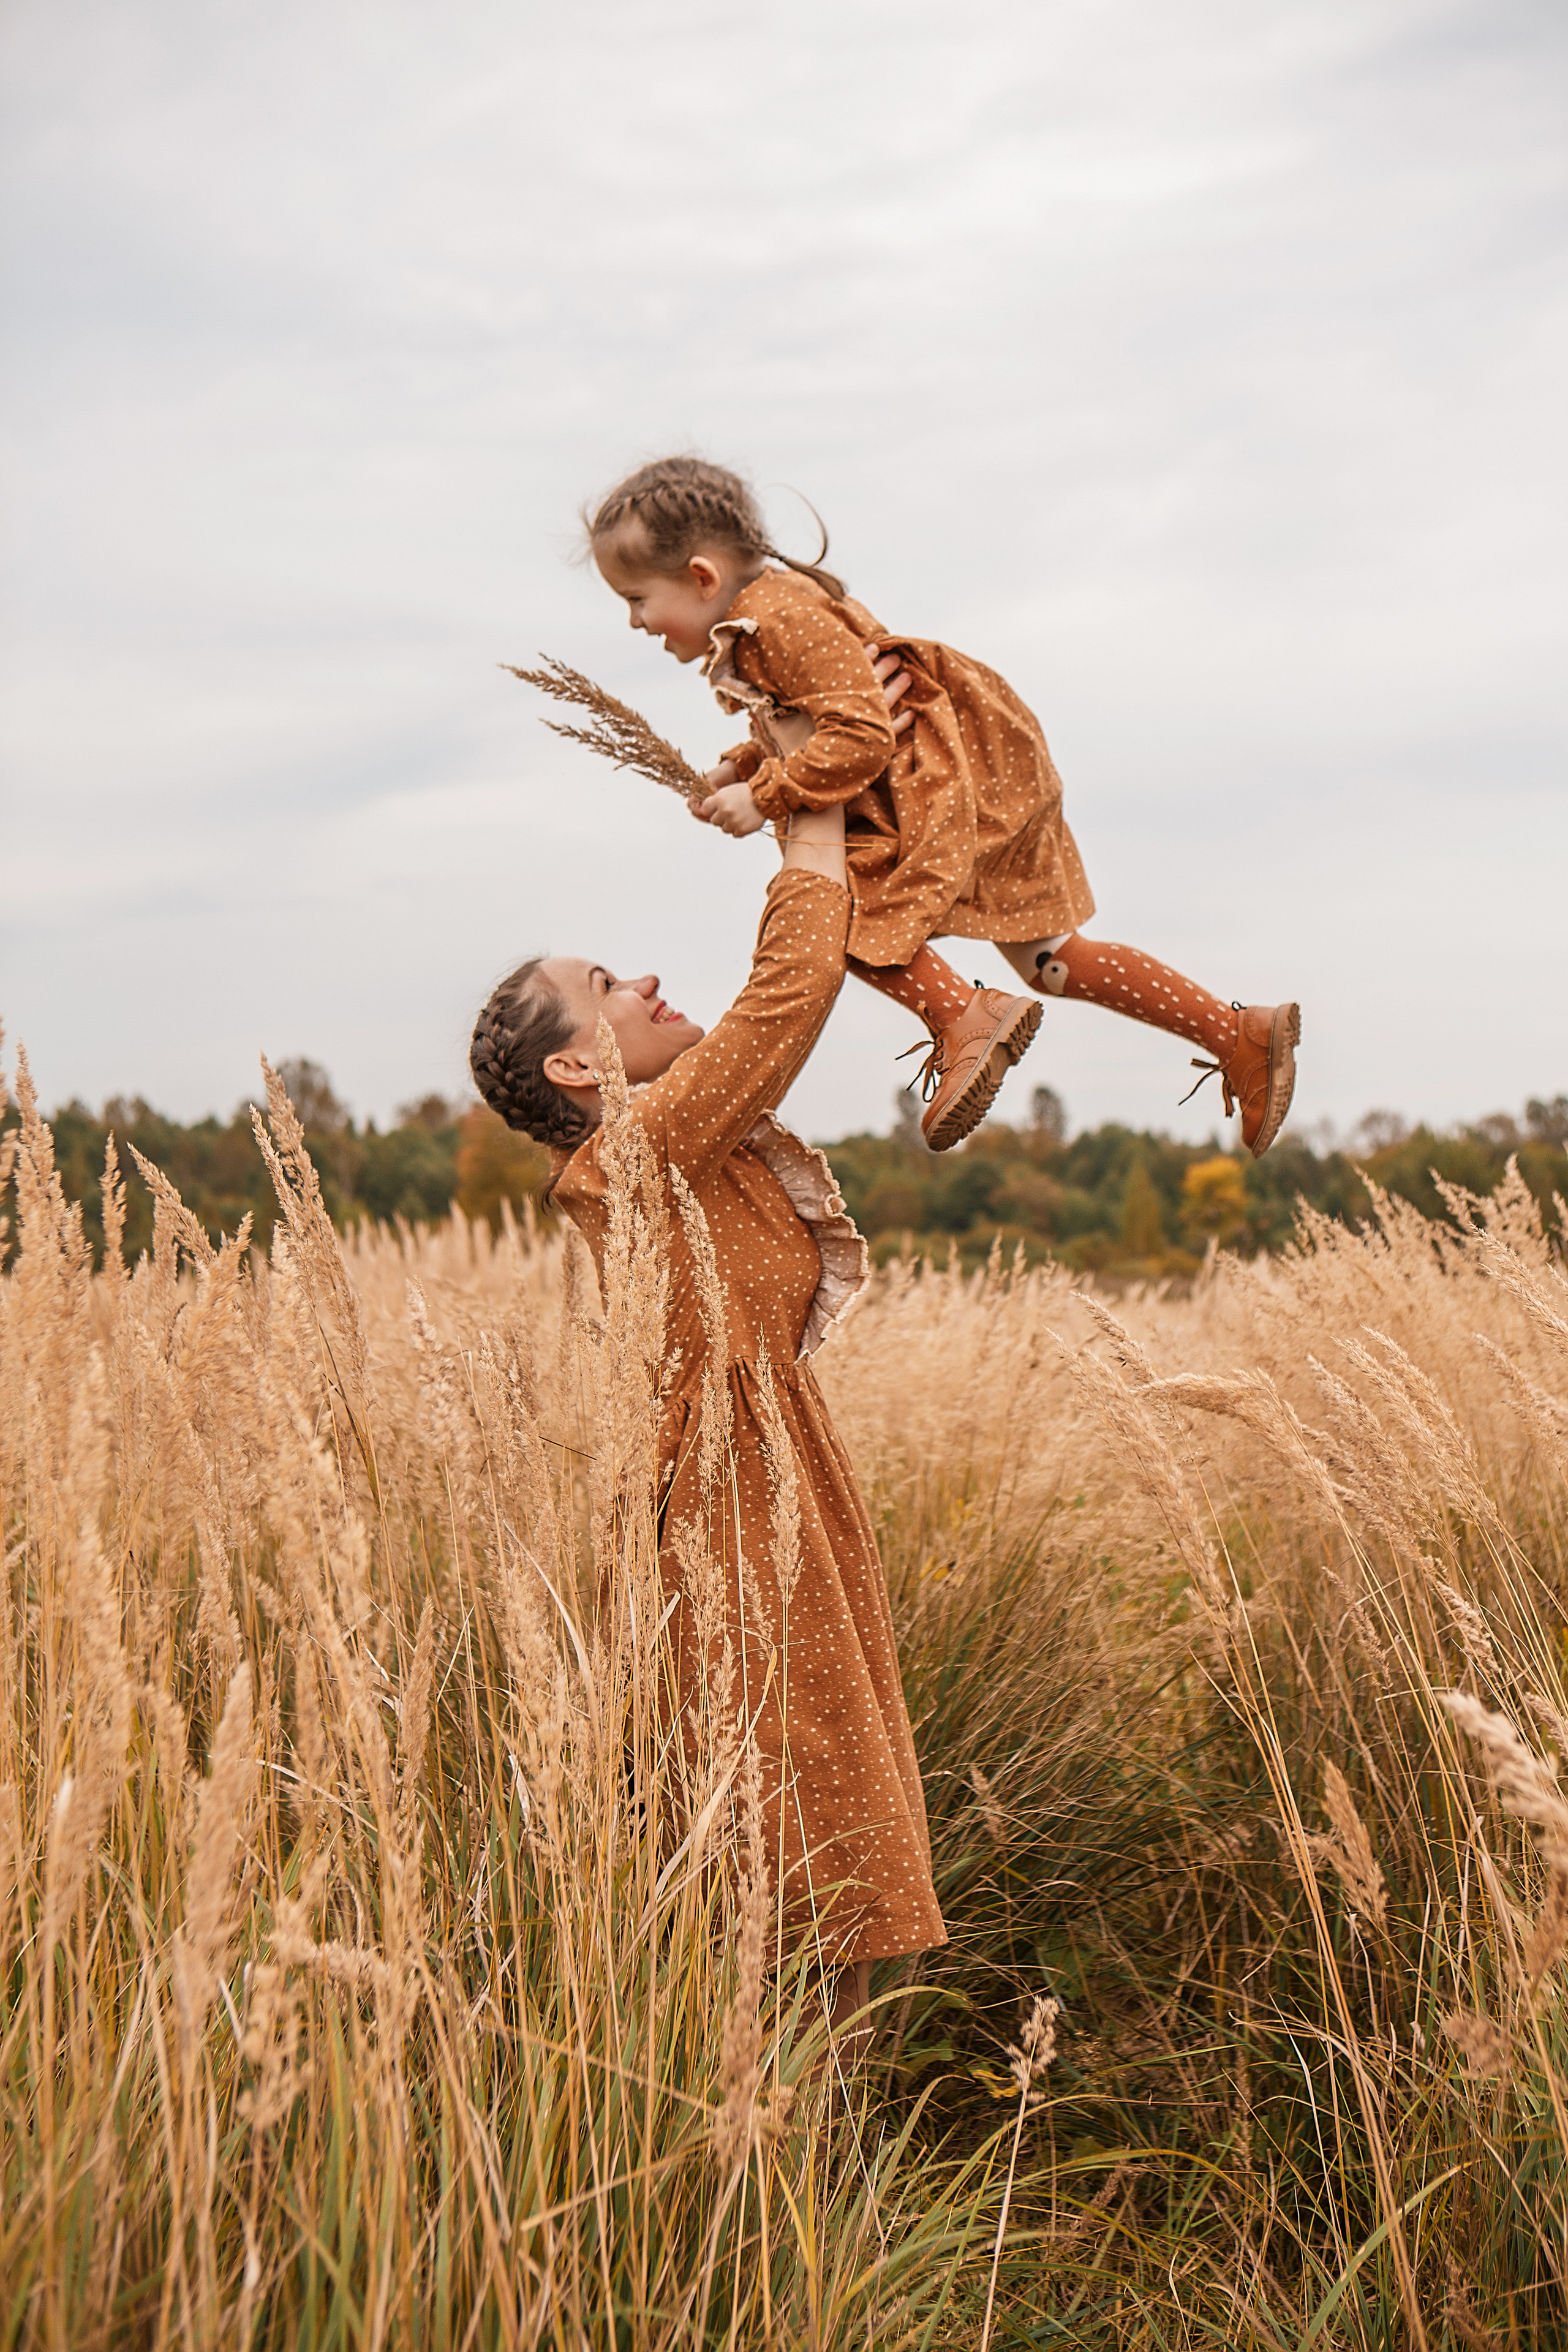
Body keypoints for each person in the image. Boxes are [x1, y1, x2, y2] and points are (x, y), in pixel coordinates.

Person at [468, 793, 946, 2041]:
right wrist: (809, 844)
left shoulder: (686, 1145)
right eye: (609, 984)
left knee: (832, 1837)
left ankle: (819, 2149)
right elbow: (780, 1008)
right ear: (579, 1066)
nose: (646, 981)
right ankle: (778, 2158)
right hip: (730, 1518)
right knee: (792, 1854)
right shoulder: (628, 1156)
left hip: (781, 1486)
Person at [586, 454, 1301, 1156]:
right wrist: (740, 765)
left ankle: (963, 1017)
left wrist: (765, 793)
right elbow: (819, 715)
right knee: (1053, 960)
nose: (634, 622)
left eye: (636, 599)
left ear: (701, 577)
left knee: (833, 906)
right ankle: (1235, 1034)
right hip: (973, 769)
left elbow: (861, 735)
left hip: (935, 784)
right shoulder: (767, 614)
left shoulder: (773, 624)